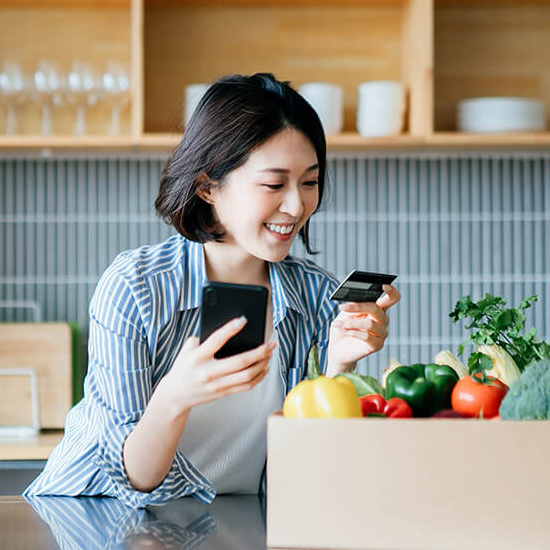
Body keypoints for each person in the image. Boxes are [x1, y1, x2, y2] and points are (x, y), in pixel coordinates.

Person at [24, 73, 400, 508]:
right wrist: (176, 395)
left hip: (233, 524)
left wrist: (338, 368)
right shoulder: (136, 288)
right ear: (208, 186)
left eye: (310, 182)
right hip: (97, 517)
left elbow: (311, 473)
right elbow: (134, 479)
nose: (297, 206)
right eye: (274, 184)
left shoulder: (318, 297)